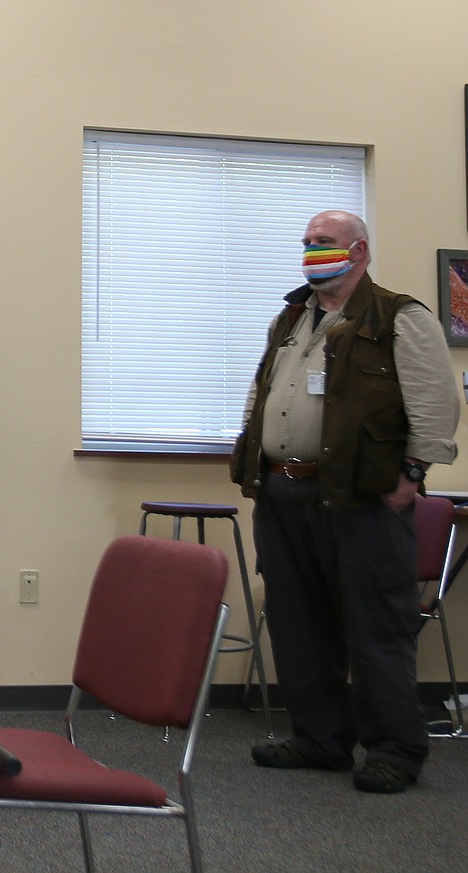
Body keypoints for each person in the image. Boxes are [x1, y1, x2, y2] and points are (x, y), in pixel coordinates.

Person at [231, 210, 459, 793]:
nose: (311, 251)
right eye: (306, 242)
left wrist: (411, 473)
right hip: (284, 492)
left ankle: (394, 749)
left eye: (324, 243)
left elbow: (435, 402)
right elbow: (262, 391)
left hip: (361, 497)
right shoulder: (290, 317)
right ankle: (320, 739)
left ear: (358, 251)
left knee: (375, 625)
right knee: (297, 621)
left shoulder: (399, 317)